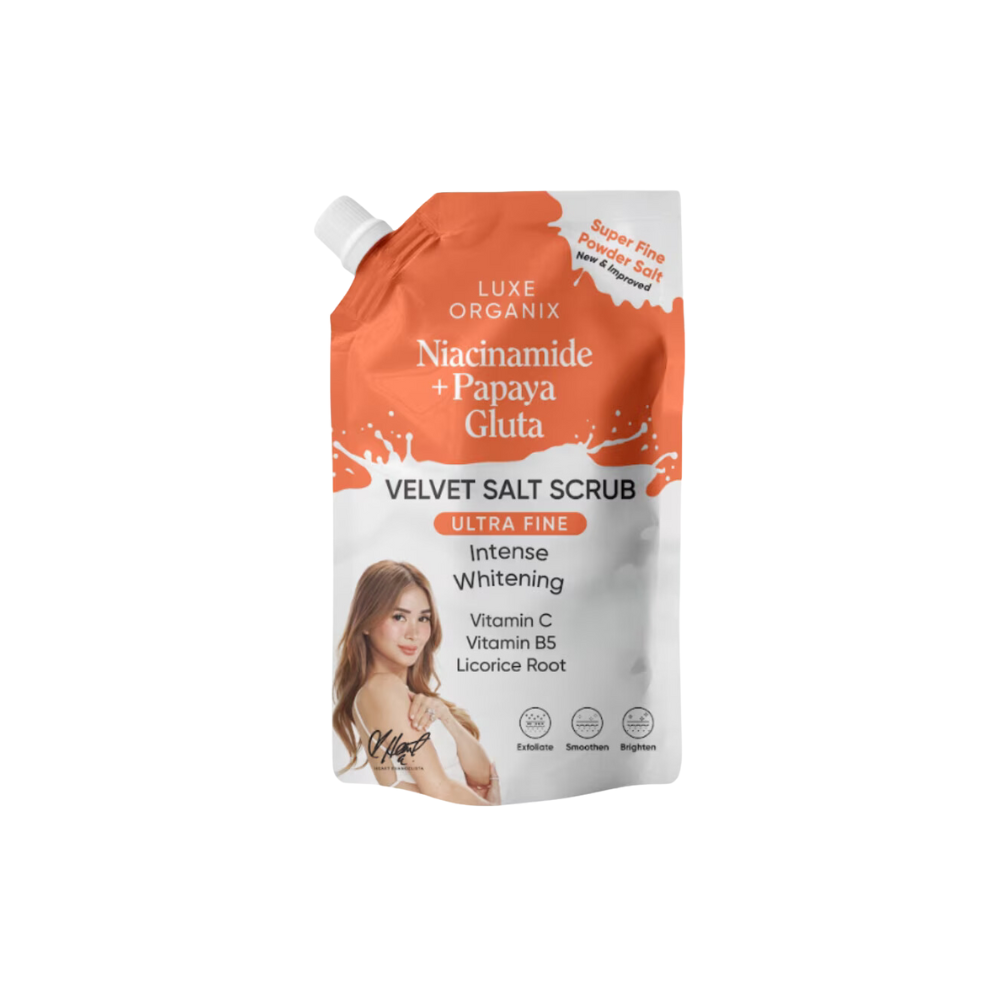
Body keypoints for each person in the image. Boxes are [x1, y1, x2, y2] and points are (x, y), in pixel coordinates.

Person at [333, 560, 499, 805]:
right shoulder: (381, 689)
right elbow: (441, 791)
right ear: (366, 622)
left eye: (423, 618)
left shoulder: (412, 697)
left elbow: (485, 778)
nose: (414, 633)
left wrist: (446, 717)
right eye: (399, 617)